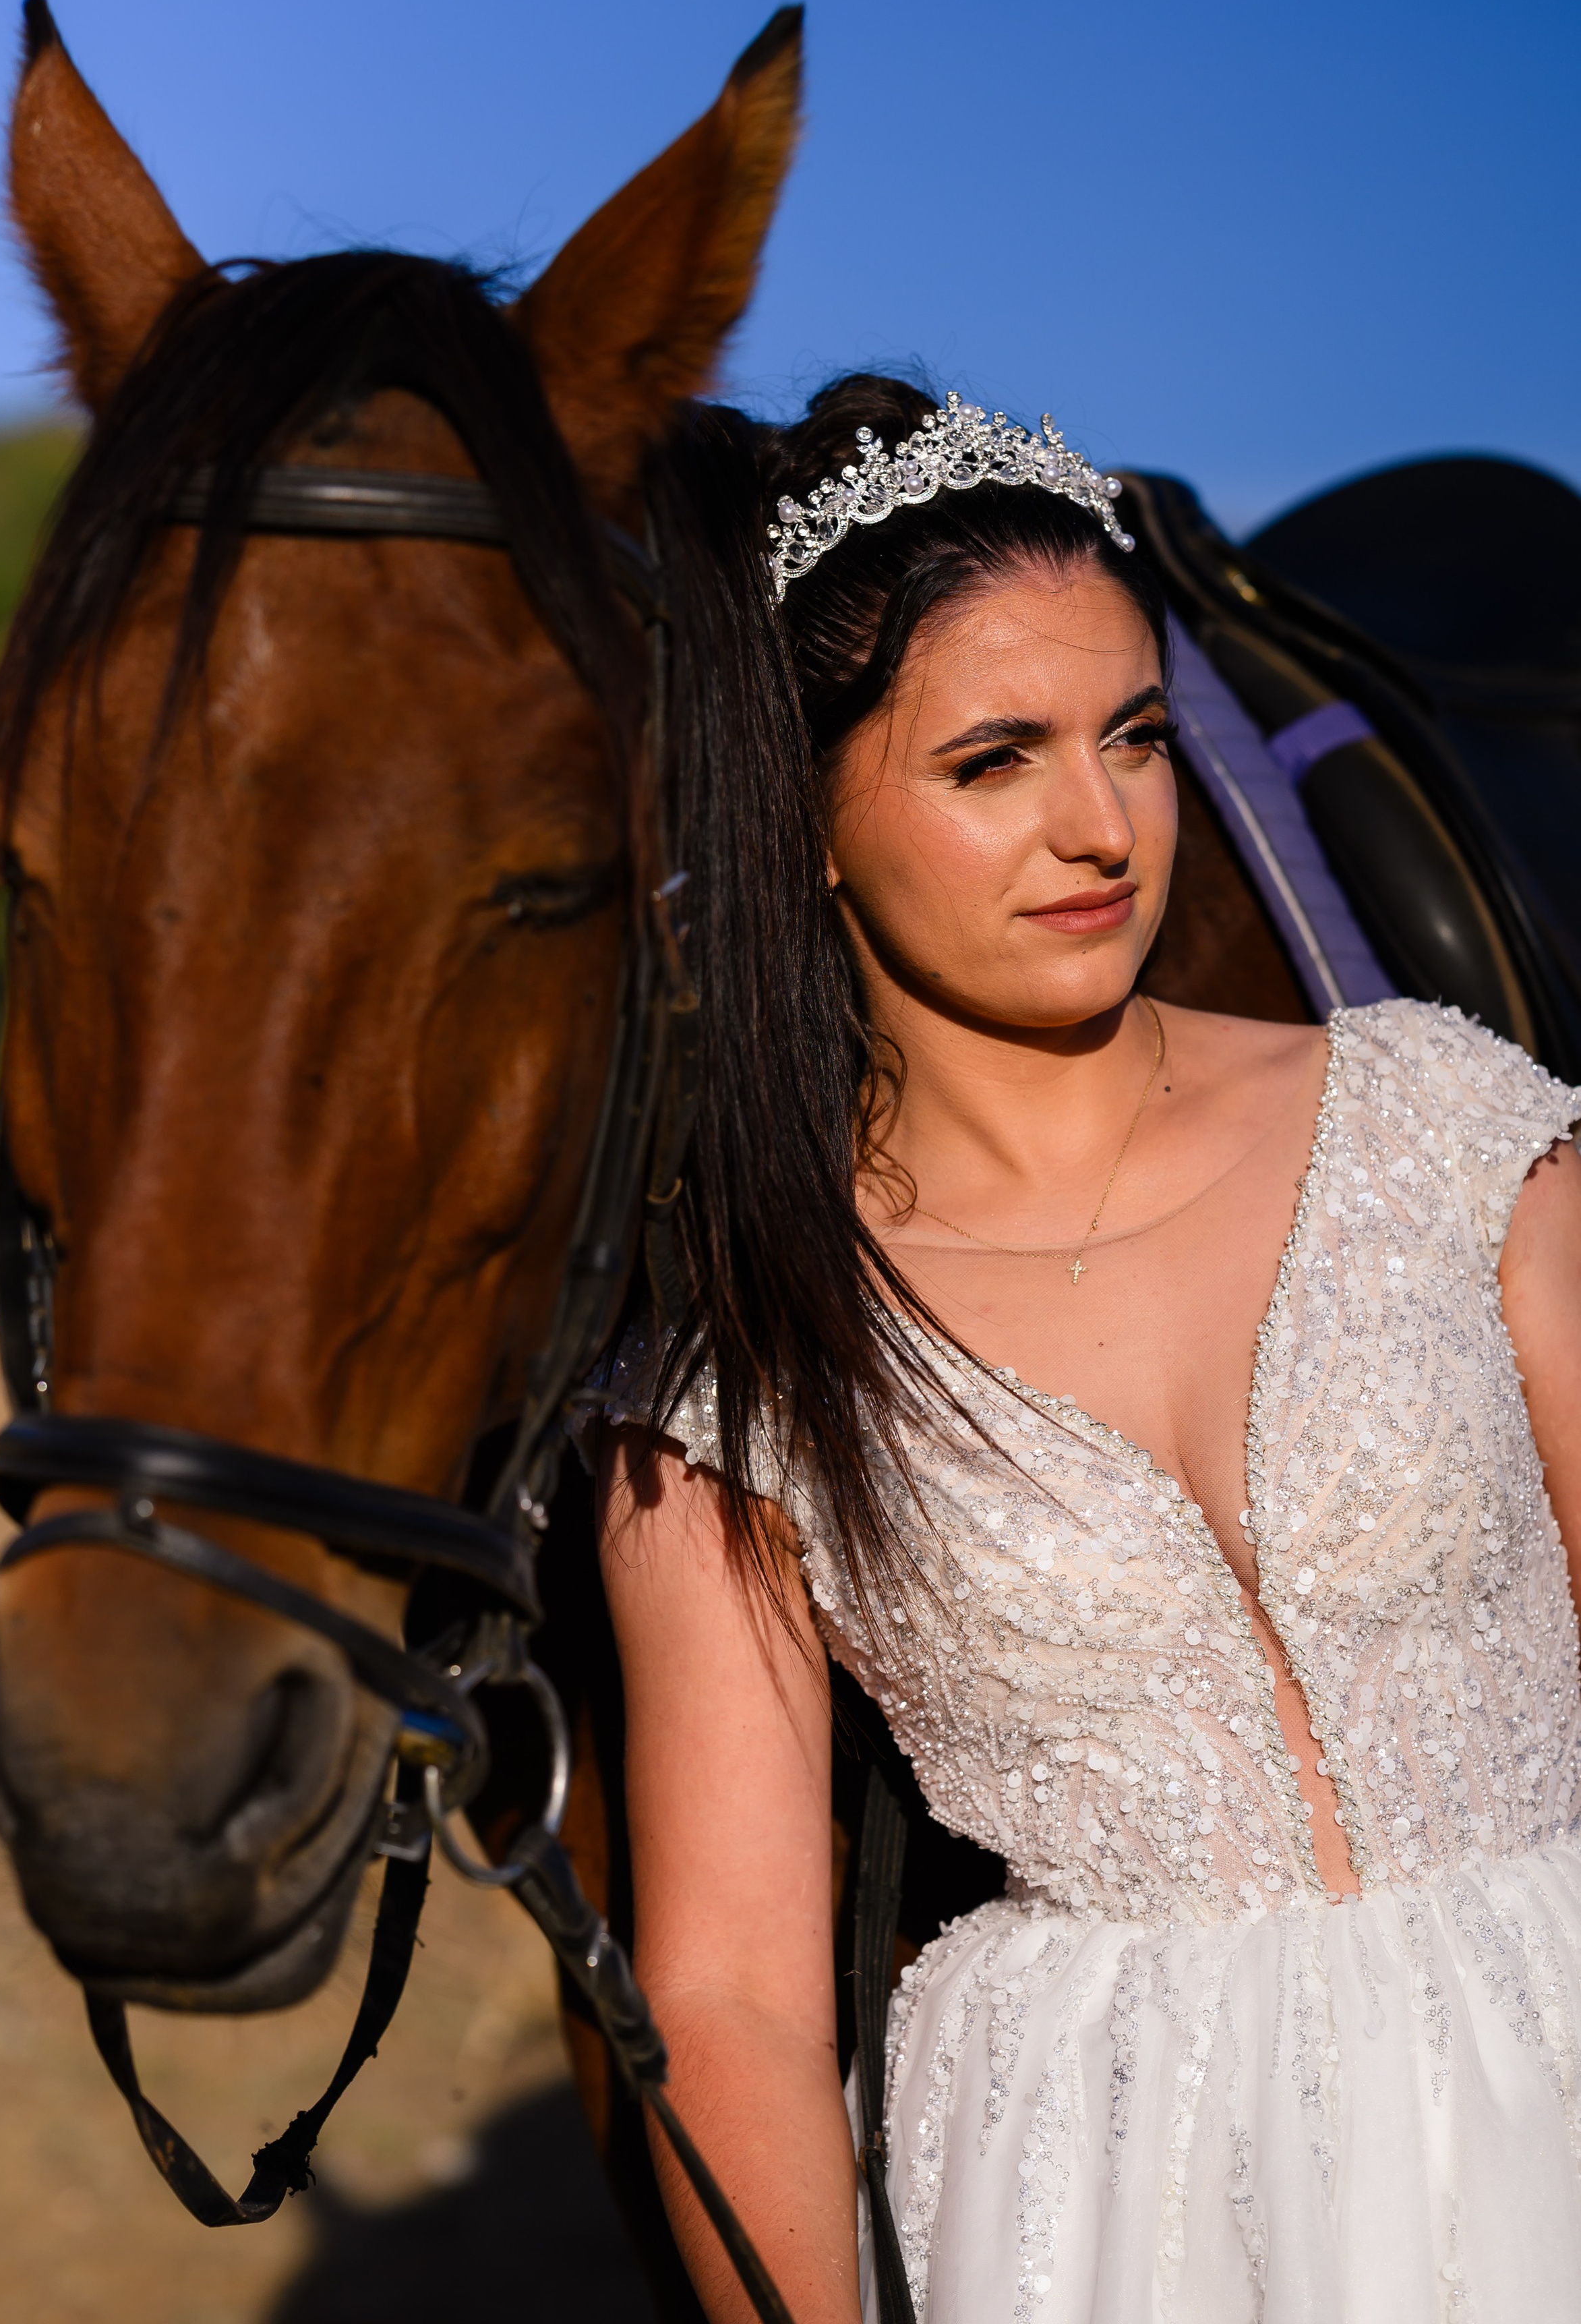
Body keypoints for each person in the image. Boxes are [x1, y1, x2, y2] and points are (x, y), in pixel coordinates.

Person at [596, 375, 1581, 2324]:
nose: (1103, 827)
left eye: (1133, 736)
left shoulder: (1451, 1127)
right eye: (994, 762)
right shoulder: (744, 1360)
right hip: (1109, 2198)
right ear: (802, 820)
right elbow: (728, 1993)